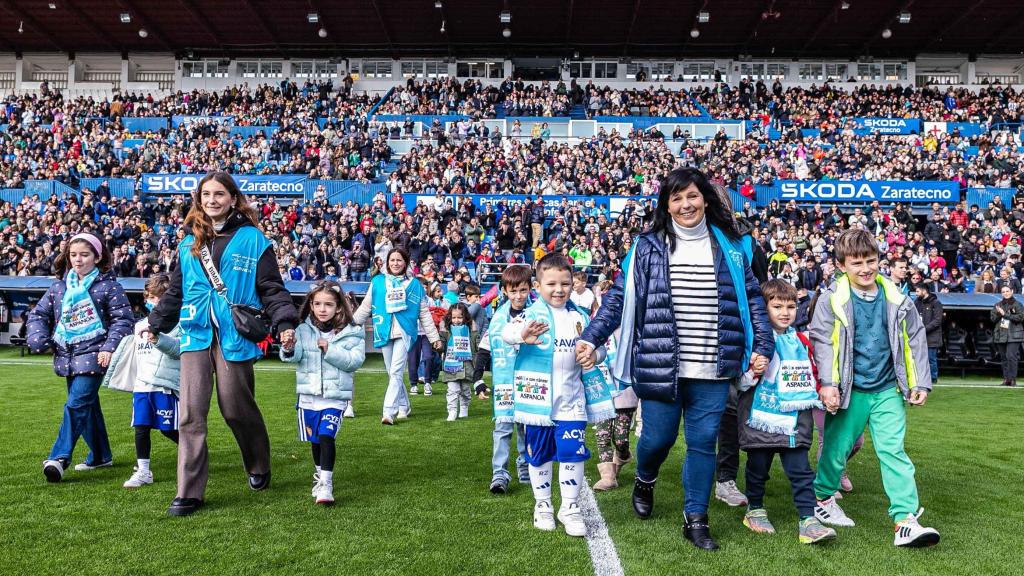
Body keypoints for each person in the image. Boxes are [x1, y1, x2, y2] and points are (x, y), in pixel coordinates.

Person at [577, 167, 773, 551]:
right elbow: (619, 297)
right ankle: (645, 477)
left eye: (693, 196)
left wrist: (763, 346)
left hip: (714, 366)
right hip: (660, 362)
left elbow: (753, 300)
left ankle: (696, 518)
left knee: (703, 443)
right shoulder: (647, 245)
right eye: (677, 198)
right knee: (657, 439)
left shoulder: (730, 246)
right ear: (666, 204)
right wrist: (592, 336)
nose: (686, 204)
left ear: (705, 199)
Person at [146, 172, 300, 517]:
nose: (212, 200)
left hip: (235, 333)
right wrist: (155, 323)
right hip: (195, 332)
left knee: (235, 408)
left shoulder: (254, 240)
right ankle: (189, 492)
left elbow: (272, 289)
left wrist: (285, 323)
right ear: (198, 200)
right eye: (206, 195)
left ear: (233, 198)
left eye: (219, 194)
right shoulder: (188, 243)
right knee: (189, 414)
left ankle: (258, 463)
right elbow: (175, 291)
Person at [808, 228, 940, 547]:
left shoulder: (897, 299)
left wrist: (919, 381)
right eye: (857, 263)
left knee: (893, 451)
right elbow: (822, 341)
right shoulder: (831, 300)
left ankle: (905, 520)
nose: (865, 268)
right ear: (841, 265)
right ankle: (822, 499)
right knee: (837, 448)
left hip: (887, 390)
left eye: (871, 260)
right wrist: (828, 383)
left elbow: (915, 339)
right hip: (850, 390)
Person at [503, 253, 614, 538]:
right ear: (537, 286)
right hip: (537, 401)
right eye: (551, 283)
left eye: (565, 283)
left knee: (572, 454)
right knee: (539, 456)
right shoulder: (529, 316)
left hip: (572, 400)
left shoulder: (580, 316)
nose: (559, 289)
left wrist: (594, 354)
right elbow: (507, 332)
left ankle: (570, 507)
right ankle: (542, 505)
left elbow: (602, 346)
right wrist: (521, 336)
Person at [28, 232, 134, 482]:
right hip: (67, 356)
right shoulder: (59, 286)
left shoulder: (110, 286)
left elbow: (123, 320)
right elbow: (38, 315)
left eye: (84, 255)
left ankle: (59, 457)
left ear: (97, 257)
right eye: (73, 255)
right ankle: (100, 456)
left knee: (75, 405)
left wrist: (108, 347)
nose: (78, 260)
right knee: (87, 407)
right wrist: (37, 337)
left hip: (96, 356)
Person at [736, 280, 836, 545]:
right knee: (758, 468)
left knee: (801, 470)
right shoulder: (754, 340)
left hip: (794, 420)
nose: (785, 312)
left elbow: (812, 376)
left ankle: (808, 519)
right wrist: (753, 371)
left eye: (791, 306)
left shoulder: (801, 341)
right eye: (777, 306)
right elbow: (739, 382)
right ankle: (754, 509)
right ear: (763, 307)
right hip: (761, 419)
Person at [281, 280, 366, 505]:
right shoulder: (302, 329)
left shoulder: (353, 331)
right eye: (317, 303)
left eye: (328, 304)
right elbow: (295, 356)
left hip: (334, 397)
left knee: (327, 435)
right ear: (310, 305)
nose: (322, 309)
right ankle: (320, 475)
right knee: (316, 440)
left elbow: (355, 361)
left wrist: (330, 349)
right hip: (308, 397)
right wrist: (288, 347)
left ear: (338, 306)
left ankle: (326, 484)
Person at [352, 248, 442, 425]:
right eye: (392, 260)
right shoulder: (377, 282)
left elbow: (424, 313)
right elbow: (365, 307)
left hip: (405, 332)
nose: (395, 263)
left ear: (405, 262)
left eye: (399, 260)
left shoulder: (415, 285)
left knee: (395, 371)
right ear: (387, 262)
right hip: (383, 330)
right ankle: (404, 405)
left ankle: (388, 412)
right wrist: (350, 326)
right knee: (392, 373)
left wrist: (434, 338)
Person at [121, 274, 182, 489]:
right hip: (142, 385)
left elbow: (179, 351)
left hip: (165, 385)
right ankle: (144, 471)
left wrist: (160, 340)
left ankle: (193, 451)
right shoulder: (139, 325)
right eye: (149, 297)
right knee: (141, 426)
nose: (152, 301)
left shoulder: (179, 322)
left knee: (167, 429)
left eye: (157, 297)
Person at [482, 265, 533, 494]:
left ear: (530, 288)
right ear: (504, 291)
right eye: (513, 291)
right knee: (502, 428)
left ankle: (525, 467)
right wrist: (478, 379)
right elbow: (485, 348)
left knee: (526, 427)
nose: (518, 296)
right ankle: (499, 474)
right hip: (504, 381)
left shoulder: (537, 314)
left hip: (529, 379)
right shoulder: (497, 319)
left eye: (523, 290)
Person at [439, 302, 477, 421]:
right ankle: (452, 410)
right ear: (450, 318)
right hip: (451, 365)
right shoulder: (446, 330)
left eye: (459, 317)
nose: (456, 320)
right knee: (453, 390)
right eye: (454, 317)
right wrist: (438, 345)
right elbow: (441, 344)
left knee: (465, 390)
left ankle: (464, 406)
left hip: (466, 366)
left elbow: (477, 344)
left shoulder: (471, 330)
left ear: (465, 317)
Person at [991, 284, 1023, 387]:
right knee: (1004, 358)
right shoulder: (997, 305)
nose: (1006, 293)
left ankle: (1012, 379)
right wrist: (999, 313)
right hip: (1001, 335)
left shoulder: (1017, 304)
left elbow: (1020, 318)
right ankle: (1006, 379)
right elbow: (993, 319)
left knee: (1011, 356)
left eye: (1007, 291)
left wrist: (1005, 314)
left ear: (1012, 291)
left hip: (1014, 335)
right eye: (1003, 292)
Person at [914, 283, 944, 385]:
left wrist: (923, 329)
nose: (916, 294)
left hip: (932, 337)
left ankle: (933, 378)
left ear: (924, 290)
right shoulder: (917, 302)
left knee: (931, 359)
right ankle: (921, 378)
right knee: (919, 359)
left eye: (917, 291)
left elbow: (937, 320)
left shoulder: (936, 303)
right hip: (918, 336)